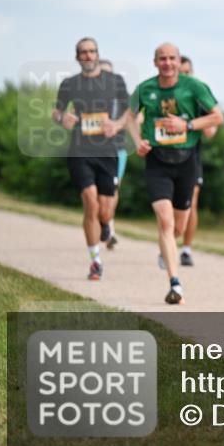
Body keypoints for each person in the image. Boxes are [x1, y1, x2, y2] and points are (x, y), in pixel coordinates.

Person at [125, 43, 224, 304]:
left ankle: (167, 248)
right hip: (157, 162)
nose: (167, 63)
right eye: (162, 59)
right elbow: (127, 116)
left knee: (178, 226)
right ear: (154, 62)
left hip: (187, 162)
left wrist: (187, 124)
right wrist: (138, 142)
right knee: (166, 222)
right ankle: (175, 284)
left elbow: (217, 117)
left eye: (172, 58)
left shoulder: (194, 87)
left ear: (178, 61)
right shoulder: (145, 89)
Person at [52, 38, 130, 281]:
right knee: (90, 202)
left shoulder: (115, 81)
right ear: (77, 57)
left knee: (105, 211)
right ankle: (95, 260)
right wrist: (62, 117)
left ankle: (106, 225)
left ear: (98, 54)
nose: (87, 56)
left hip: (107, 152)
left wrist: (116, 125)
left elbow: (129, 111)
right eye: (83, 52)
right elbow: (57, 111)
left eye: (91, 51)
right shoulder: (69, 84)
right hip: (79, 151)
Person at [177, 55, 218, 266]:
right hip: (164, 160)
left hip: (191, 158)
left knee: (191, 204)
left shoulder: (198, 96)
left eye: (187, 72)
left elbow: (211, 130)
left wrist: (189, 124)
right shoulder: (164, 95)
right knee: (167, 206)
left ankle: (186, 249)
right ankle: (166, 244)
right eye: (180, 72)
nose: (184, 76)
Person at [98, 58, 126, 250]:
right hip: (93, 149)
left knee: (113, 190)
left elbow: (136, 114)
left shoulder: (122, 96)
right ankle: (102, 225)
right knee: (97, 194)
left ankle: (109, 226)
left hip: (118, 149)